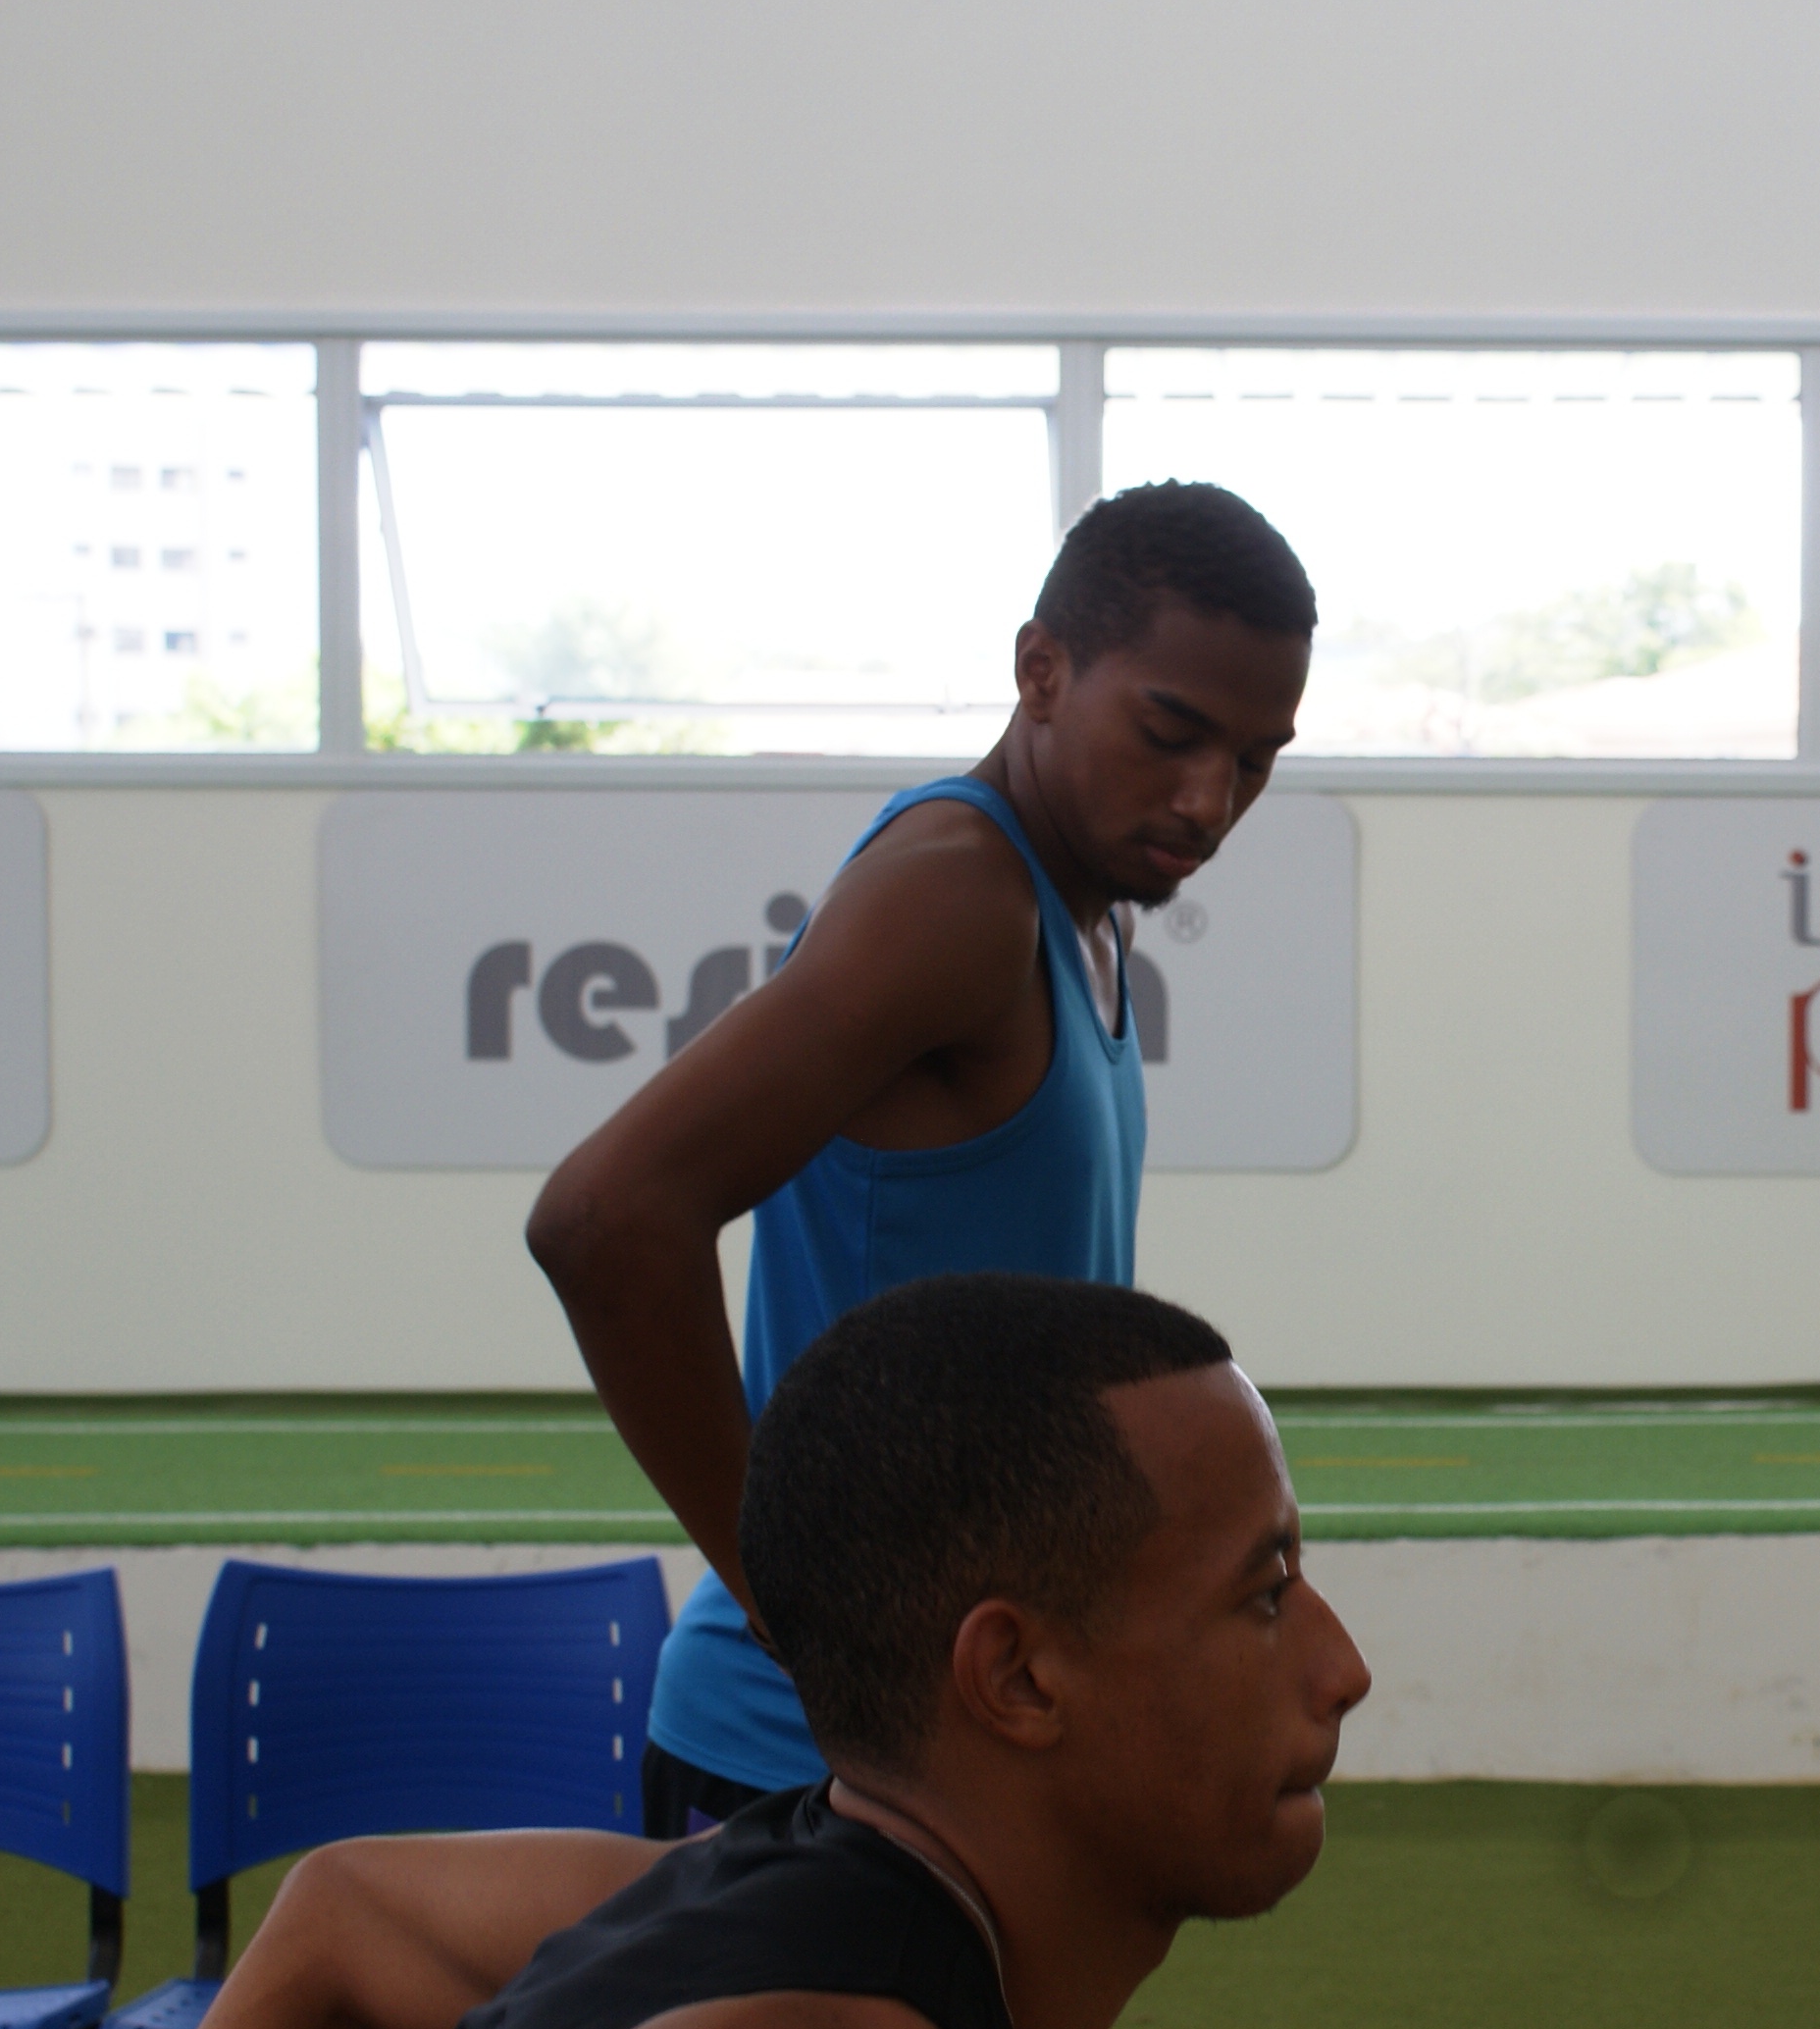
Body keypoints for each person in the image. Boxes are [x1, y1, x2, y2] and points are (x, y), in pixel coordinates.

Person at [0, 1272, 1370, 2029]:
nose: (1342, 1667)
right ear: (1017, 1678)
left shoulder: (818, 1916)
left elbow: (345, 1913)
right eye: (1263, 1594)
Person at [530, 482, 1316, 1835]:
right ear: (1041, 670)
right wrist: (797, 1606)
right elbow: (604, 1220)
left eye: (1256, 760)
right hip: (808, 1760)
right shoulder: (960, 894)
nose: (1208, 799)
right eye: (1170, 733)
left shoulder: (1089, 915)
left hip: (957, 1736)